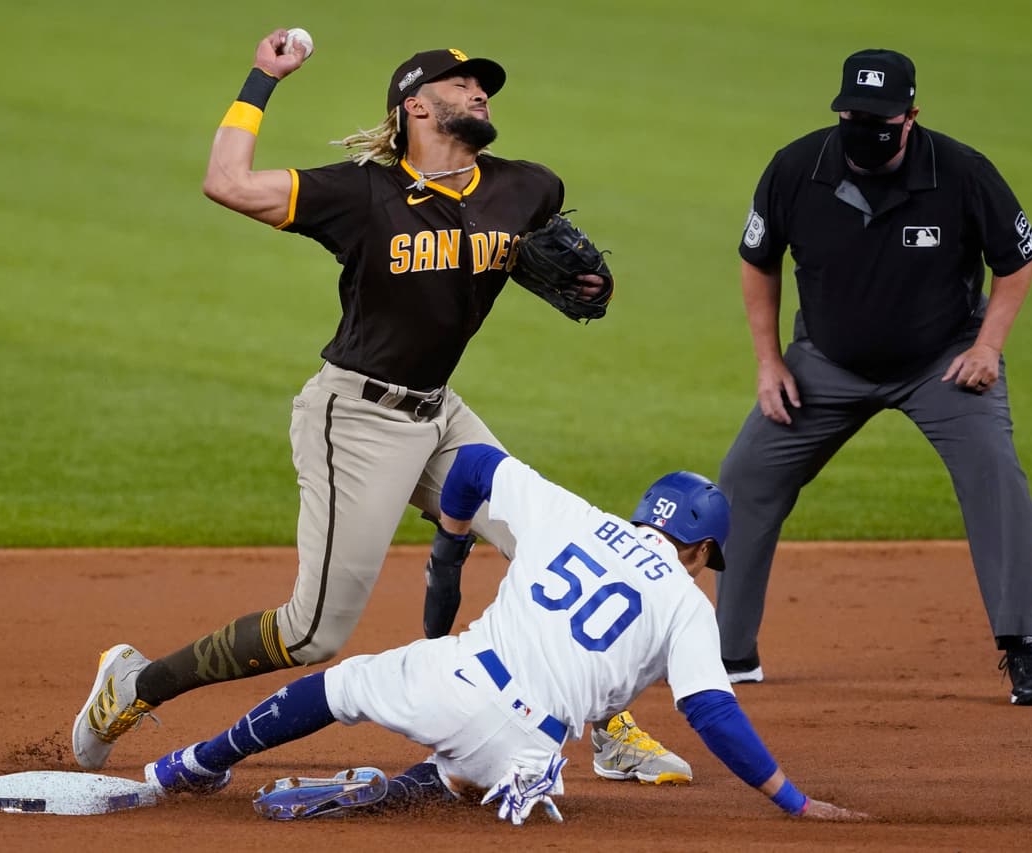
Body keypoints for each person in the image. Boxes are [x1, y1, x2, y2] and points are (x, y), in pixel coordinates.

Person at [71, 28, 686, 782]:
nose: (479, 93)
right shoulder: (361, 193)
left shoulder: (526, 185)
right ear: (416, 109)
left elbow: (524, 254)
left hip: (442, 414)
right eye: (461, 85)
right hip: (356, 419)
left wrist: (589, 287)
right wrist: (263, 79)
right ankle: (133, 683)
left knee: (564, 555)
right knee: (313, 633)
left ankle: (610, 729)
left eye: (483, 84)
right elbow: (226, 182)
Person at [139, 444, 866, 825]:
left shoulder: (572, 514)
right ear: (701, 549)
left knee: (341, 685)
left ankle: (193, 764)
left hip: (457, 679)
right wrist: (793, 800)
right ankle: (400, 792)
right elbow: (711, 709)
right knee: (461, 771)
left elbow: (476, 465)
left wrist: (450, 545)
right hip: (530, 750)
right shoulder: (687, 603)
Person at [717, 48, 1032, 706]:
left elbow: (1018, 258)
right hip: (825, 362)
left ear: (911, 117)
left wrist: (989, 345)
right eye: (855, 115)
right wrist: (768, 361)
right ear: (840, 110)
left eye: (881, 118)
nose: (866, 129)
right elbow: (757, 260)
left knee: (996, 475)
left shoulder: (961, 172)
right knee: (746, 476)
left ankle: (1026, 648)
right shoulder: (796, 168)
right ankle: (730, 650)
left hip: (943, 362)